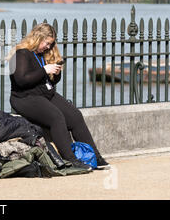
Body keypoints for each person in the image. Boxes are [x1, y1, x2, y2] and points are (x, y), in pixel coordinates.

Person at [8, 23, 109, 170]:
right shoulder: (21, 54)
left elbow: (50, 82)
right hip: (24, 97)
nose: (48, 47)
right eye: (47, 43)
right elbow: (21, 80)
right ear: (37, 38)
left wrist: (56, 72)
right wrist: (44, 70)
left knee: (75, 116)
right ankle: (71, 160)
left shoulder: (42, 55)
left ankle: (96, 157)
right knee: (56, 117)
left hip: (44, 93)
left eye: (51, 44)